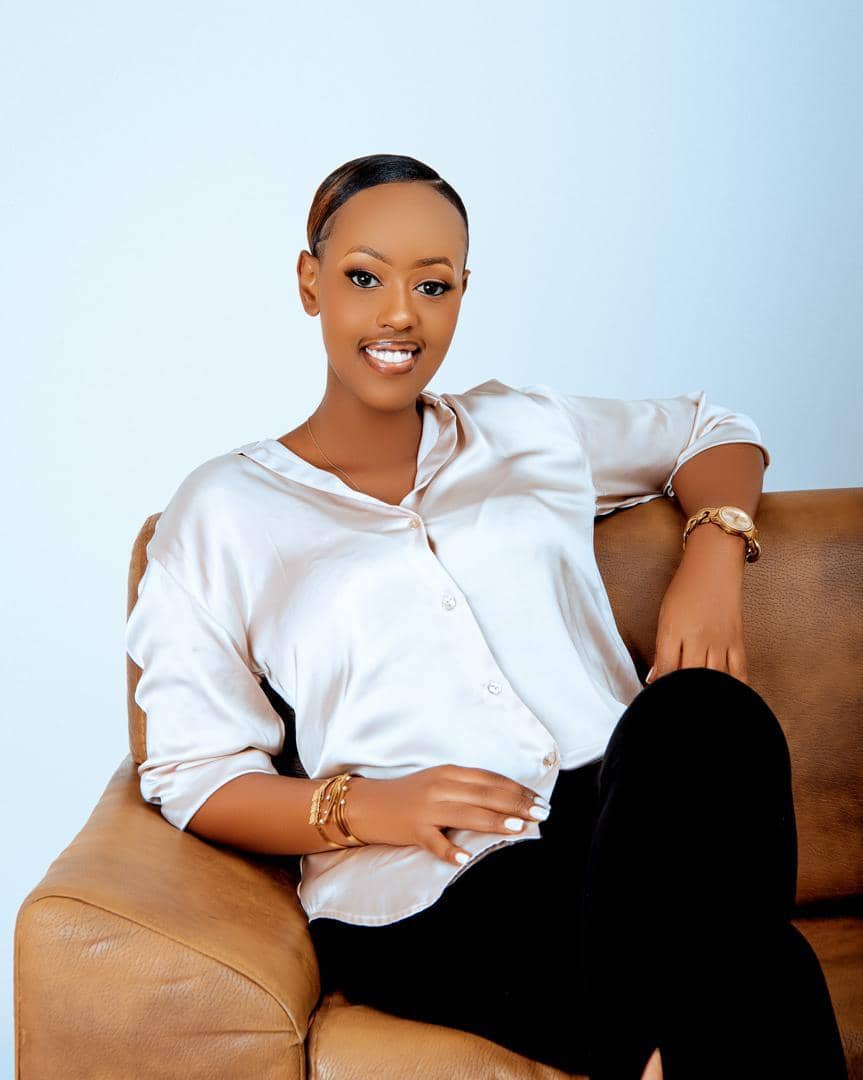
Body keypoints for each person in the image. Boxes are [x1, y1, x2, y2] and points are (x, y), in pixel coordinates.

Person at [125, 154, 848, 1079]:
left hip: (625, 815)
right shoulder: (219, 511)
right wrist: (364, 805)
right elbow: (191, 773)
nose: (399, 314)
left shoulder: (524, 429)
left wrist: (711, 553)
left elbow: (712, 430)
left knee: (706, 712)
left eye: (431, 285)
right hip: (436, 880)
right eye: (364, 278)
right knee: (754, 966)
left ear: (461, 292)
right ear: (310, 282)